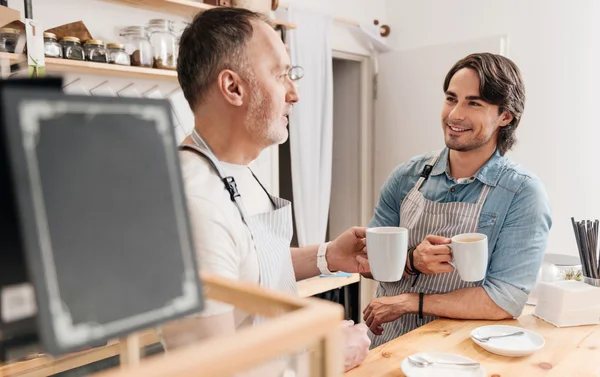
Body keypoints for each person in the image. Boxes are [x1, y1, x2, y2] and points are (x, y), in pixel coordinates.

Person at [159, 7, 371, 372]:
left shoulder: (238, 171)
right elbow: (209, 370)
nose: (295, 94)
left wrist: (328, 255)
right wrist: (324, 359)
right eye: (282, 75)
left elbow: (248, 267)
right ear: (233, 87)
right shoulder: (195, 200)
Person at [362, 52, 552, 348]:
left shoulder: (522, 194)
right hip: (386, 346)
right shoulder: (407, 176)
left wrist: (411, 301)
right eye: (451, 99)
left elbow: (504, 300)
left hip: (458, 354)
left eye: (473, 103)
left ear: (505, 116)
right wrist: (411, 261)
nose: (454, 115)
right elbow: (367, 261)